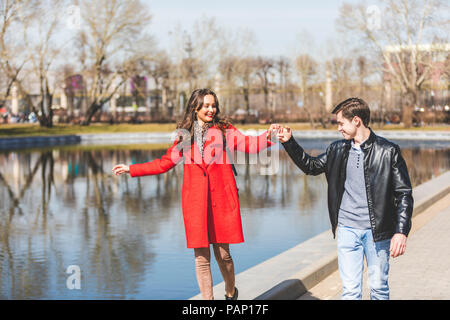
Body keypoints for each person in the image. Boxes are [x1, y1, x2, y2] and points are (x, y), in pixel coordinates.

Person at [112, 88, 276, 300]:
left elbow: (248, 144)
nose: (211, 109)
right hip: (196, 203)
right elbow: (164, 163)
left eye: (213, 105)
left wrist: (268, 135)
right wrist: (132, 169)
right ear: (195, 107)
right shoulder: (185, 135)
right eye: (206, 105)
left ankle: (230, 292)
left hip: (221, 201)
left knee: (223, 255)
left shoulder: (224, 129)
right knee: (201, 258)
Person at [275, 97, 413, 300]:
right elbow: (311, 166)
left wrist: (401, 232)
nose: (338, 128)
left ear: (356, 120)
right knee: (350, 292)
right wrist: (289, 143)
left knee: (378, 288)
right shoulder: (337, 149)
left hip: (378, 233)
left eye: (341, 123)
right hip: (347, 230)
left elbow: (404, 194)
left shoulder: (388, 151)